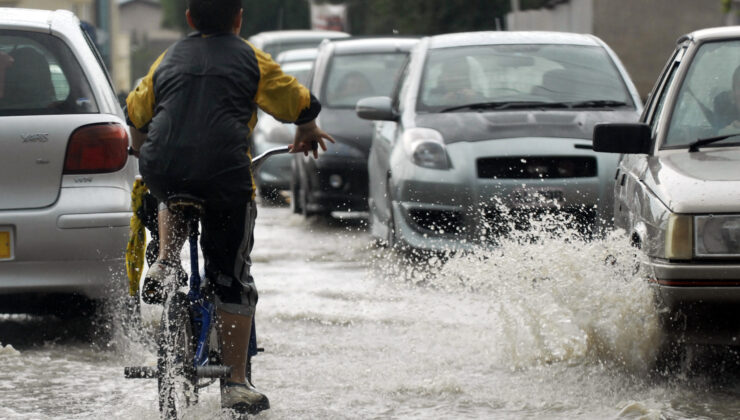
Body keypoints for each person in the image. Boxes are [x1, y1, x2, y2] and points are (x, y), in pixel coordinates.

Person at [124, 0, 334, 414]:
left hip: (163, 169)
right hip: (223, 176)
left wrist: (140, 150)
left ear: (188, 19)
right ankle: (236, 382)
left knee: (169, 186)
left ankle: (166, 260)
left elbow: (135, 110)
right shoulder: (249, 57)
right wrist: (307, 127)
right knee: (231, 278)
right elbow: (299, 101)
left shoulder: (170, 58)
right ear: (239, 18)